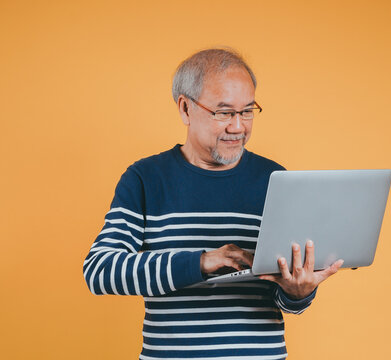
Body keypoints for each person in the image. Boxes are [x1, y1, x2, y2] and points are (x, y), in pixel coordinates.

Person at [83, 48, 343, 360]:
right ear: (185, 108)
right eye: (223, 113)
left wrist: (299, 291)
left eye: (247, 111)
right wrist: (201, 262)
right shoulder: (145, 178)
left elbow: (285, 300)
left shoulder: (275, 179)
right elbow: (100, 271)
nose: (238, 127)